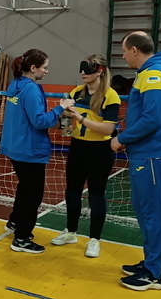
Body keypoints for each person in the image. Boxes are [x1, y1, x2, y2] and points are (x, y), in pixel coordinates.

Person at [110, 31, 161, 291]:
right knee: (144, 208)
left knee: (151, 212)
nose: (123, 56)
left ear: (135, 50)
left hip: (151, 153)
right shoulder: (150, 72)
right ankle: (152, 263)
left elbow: (152, 119)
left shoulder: (153, 74)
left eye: (124, 51)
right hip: (146, 152)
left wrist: (121, 139)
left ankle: (153, 274)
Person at [0, 49, 74, 254]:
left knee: (25, 188)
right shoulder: (31, 89)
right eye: (45, 67)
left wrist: (63, 118)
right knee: (32, 195)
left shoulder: (15, 84)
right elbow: (40, 121)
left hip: (15, 146)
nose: (47, 71)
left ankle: (16, 222)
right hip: (29, 149)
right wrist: (61, 108)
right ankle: (22, 238)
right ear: (33, 68)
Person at [50, 55, 121, 258]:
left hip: (99, 151)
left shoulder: (110, 96)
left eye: (87, 69)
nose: (82, 73)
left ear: (99, 71)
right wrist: (63, 116)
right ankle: (70, 232)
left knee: (96, 195)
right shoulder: (76, 92)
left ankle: (94, 239)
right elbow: (66, 127)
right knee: (72, 192)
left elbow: (108, 128)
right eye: (81, 68)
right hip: (78, 148)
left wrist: (80, 118)